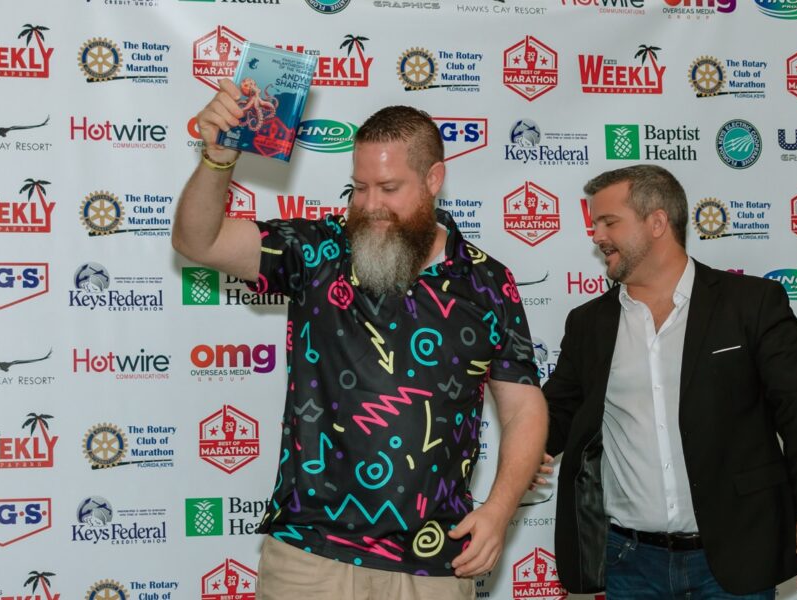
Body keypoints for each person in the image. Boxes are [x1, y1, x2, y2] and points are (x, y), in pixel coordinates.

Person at [172, 80, 547, 600]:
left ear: (434, 178)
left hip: (436, 561)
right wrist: (217, 160)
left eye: (389, 188)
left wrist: (499, 510)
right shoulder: (318, 252)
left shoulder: (487, 283)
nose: (370, 205)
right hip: (310, 555)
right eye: (360, 186)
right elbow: (200, 240)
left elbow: (525, 409)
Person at [536, 165, 797, 598]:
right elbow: (559, 411)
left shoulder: (751, 304)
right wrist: (525, 449)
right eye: (594, 223)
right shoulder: (588, 324)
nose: (597, 235)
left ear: (657, 222)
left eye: (608, 222)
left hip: (735, 554)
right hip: (629, 561)